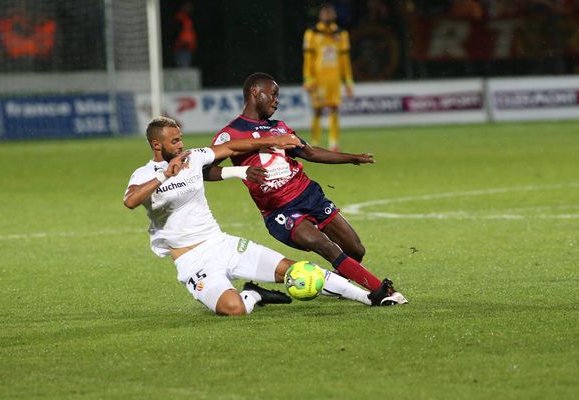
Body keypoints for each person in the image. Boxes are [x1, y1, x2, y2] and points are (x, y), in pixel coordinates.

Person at [124, 117, 403, 316]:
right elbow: (131, 200)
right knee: (233, 309)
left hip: (222, 244)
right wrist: (164, 174)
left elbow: (233, 148)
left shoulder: (192, 157)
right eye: (174, 141)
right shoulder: (144, 174)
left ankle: (371, 296)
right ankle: (255, 294)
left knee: (298, 270)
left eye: (181, 138)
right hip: (191, 260)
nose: (181, 145)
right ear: (156, 145)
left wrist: (272, 141)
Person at [210, 73, 408, 306]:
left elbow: (311, 153)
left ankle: (334, 284)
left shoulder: (279, 128)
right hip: (279, 210)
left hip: (309, 195)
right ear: (255, 92)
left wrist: (351, 158)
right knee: (323, 245)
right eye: (273, 94)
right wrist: (239, 172)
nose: (276, 100)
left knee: (355, 250)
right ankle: (380, 291)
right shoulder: (230, 133)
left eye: (278, 96)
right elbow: (204, 170)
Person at [303, 2, 353, 152]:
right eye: (325, 12)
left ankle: (333, 144)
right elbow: (308, 59)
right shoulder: (311, 33)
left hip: (334, 78)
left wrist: (348, 81)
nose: (328, 15)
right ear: (320, 15)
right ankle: (314, 143)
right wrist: (308, 78)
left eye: (330, 12)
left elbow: (345, 60)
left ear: (335, 15)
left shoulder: (341, 34)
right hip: (317, 79)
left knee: (333, 108)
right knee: (317, 109)